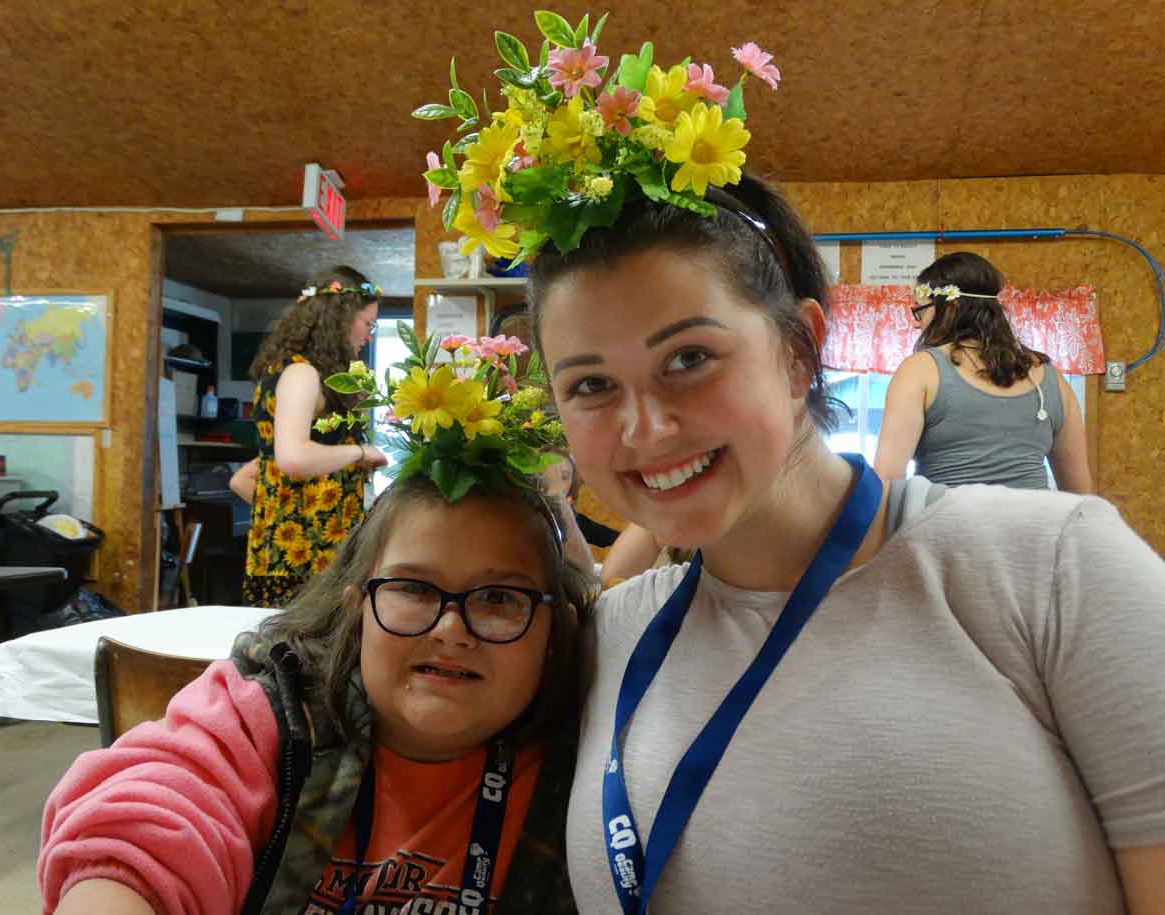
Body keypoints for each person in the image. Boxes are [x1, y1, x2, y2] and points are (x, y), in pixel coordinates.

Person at [418, 17, 1164, 910]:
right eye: (589, 385)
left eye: (689, 357)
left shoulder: (1053, 568)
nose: (647, 428)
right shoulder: (611, 635)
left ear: (803, 348)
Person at [39, 326, 596, 914]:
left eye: (499, 599)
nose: (450, 628)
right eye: (411, 587)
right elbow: (157, 809)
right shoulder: (277, 709)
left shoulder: (593, 754)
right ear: (356, 606)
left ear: (553, 628)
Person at [873, 251, 1093, 491]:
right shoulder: (1052, 379)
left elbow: (886, 483)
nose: (916, 323)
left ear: (951, 308)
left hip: (946, 528)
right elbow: (1079, 495)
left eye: (921, 311)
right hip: (1034, 528)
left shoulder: (919, 370)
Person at [240, 266, 388, 607]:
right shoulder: (301, 372)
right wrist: (360, 453)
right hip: (301, 560)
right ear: (340, 318)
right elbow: (293, 458)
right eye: (368, 324)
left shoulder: (299, 372)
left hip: (309, 554)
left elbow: (255, 472)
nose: (369, 334)